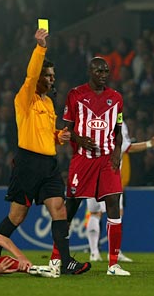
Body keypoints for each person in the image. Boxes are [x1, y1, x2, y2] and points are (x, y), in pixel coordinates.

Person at [0, 28, 90, 276]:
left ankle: (66, 262)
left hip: (49, 164)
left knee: (59, 209)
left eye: (53, 75)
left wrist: (60, 137)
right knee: (17, 215)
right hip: (28, 164)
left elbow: (47, 134)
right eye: (47, 75)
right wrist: (40, 47)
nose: (52, 79)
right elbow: (30, 74)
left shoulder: (48, 103)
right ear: (38, 77)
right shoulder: (25, 98)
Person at [50, 56, 129, 276]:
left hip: (106, 160)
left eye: (106, 71)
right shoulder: (76, 95)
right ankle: (56, 257)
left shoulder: (116, 98)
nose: (103, 75)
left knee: (114, 203)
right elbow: (65, 131)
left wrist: (116, 152)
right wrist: (78, 139)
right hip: (83, 160)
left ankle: (113, 264)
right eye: (99, 71)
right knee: (71, 208)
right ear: (90, 72)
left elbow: (118, 131)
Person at [86, 122, 154, 262]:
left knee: (95, 213)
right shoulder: (117, 122)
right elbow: (127, 147)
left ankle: (94, 252)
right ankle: (112, 253)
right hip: (110, 174)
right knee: (115, 213)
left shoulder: (89, 118)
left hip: (91, 171)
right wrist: (150, 144)